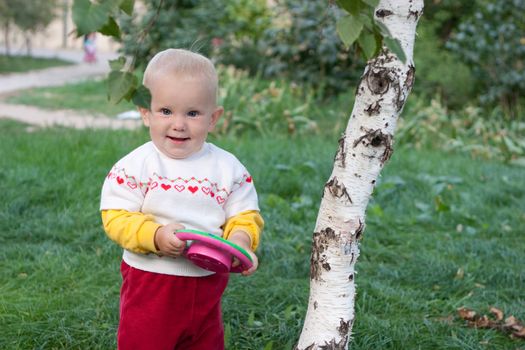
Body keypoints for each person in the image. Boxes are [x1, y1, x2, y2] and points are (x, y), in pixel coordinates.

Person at [99, 48, 264, 350]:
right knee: (146, 342)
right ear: (145, 112)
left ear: (213, 118)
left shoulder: (227, 168)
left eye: (192, 113)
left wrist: (240, 239)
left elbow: (245, 213)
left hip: (207, 281)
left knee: (205, 340)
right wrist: (156, 235)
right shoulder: (137, 166)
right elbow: (116, 216)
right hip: (152, 281)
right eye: (166, 111)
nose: (179, 124)